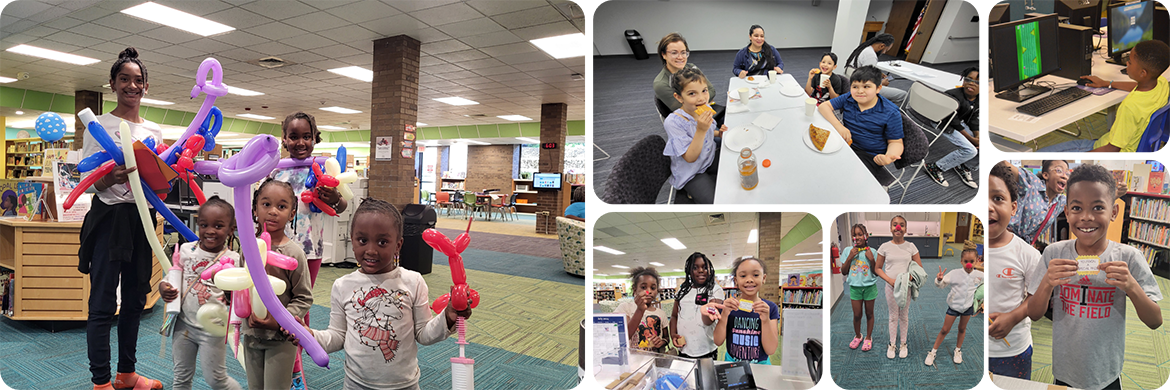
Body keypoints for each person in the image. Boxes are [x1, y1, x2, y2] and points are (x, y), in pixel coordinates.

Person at [287, 198, 469, 389]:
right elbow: (338, 337)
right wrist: (309, 336)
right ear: (352, 241)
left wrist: (448, 317)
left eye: (382, 242)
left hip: (404, 385)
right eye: (363, 240)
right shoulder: (342, 286)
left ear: (398, 245)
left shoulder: (413, 281)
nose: (371, 250)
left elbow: (424, 334)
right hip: (356, 384)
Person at [1027, 163, 1163, 389]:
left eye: (1098, 207)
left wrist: (1131, 286)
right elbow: (1034, 314)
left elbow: (1155, 321)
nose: (1086, 217)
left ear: (1114, 212)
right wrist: (1047, 283)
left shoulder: (1129, 257)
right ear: (1067, 212)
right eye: (1077, 208)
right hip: (1065, 370)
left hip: (1106, 374)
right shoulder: (1054, 253)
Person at [79, 47, 166, 390]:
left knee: (135, 298)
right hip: (108, 219)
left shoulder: (155, 132)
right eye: (124, 79)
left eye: (138, 80)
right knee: (102, 301)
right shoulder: (98, 126)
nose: (132, 85)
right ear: (112, 84)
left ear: (146, 87)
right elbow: (87, 182)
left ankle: (126, 374)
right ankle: (100, 381)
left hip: (141, 218)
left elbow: (158, 178)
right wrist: (111, 177)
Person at [158, 197, 244, 390]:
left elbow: (238, 298)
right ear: (198, 224)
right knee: (180, 378)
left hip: (213, 330)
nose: (210, 231)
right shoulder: (187, 250)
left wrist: (232, 293)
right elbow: (173, 276)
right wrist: (164, 287)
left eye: (219, 226)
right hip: (183, 325)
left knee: (216, 380)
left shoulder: (234, 259)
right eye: (204, 225)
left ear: (231, 230)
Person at [242, 179, 313, 390]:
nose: (273, 211)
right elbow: (240, 287)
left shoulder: (294, 254)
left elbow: (303, 297)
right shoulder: (247, 248)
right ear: (255, 209)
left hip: (281, 338)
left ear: (292, 214)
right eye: (266, 204)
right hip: (251, 334)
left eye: (281, 207)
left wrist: (281, 321)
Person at [1039, 40, 1170, 152]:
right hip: (1132, 147)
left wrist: (1080, 160)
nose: (1126, 64)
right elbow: (1136, 86)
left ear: (1143, 73)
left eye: (1130, 62)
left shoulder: (1130, 107)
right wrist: (1107, 83)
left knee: (1041, 153)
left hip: (1107, 149)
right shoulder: (1161, 83)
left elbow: (1112, 150)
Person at [987, 163, 1042, 379]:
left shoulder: (1027, 254)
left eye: (998, 198)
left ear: (1013, 208)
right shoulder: (971, 251)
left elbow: (1037, 299)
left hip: (1012, 350)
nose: (989, 206)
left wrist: (1013, 317)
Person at [819, 66, 904, 186]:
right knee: (820, 161)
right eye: (855, 87)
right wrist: (839, 126)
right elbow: (823, 107)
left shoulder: (890, 112)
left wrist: (888, 156)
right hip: (847, 144)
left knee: (849, 181)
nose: (859, 91)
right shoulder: (849, 97)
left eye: (866, 86)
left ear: (878, 88)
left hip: (869, 154)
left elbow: (896, 142)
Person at [663, 65, 728, 204]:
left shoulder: (706, 107)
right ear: (679, 97)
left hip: (708, 158)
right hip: (691, 172)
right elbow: (690, 158)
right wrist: (701, 130)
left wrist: (718, 133)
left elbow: (709, 133)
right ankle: (689, 191)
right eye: (692, 93)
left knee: (736, 165)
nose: (701, 98)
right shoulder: (673, 123)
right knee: (715, 202)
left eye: (704, 91)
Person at [874, 215, 923, 359]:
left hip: (905, 287)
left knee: (904, 316)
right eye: (895, 224)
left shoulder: (911, 246)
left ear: (905, 229)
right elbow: (877, 268)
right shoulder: (884, 247)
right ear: (890, 228)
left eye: (901, 225)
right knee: (893, 316)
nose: (898, 227)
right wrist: (889, 280)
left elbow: (919, 268)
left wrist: (910, 277)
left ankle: (903, 344)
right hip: (890, 287)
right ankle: (892, 344)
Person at [714, 257, 780, 363]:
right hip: (732, 364)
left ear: (764, 278)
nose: (749, 280)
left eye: (755, 275)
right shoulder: (728, 306)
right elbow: (718, 341)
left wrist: (765, 320)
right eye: (743, 276)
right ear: (736, 280)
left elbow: (771, 350)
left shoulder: (770, 308)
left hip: (761, 365)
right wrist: (725, 314)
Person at [923, 67, 980, 189]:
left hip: (958, 123)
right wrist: (970, 138)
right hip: (943, 121)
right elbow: (952, 121)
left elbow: (973, 118)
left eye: (977, 82)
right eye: (968, 79)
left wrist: (978, 135)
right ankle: (935, 168)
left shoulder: (979, 99)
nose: (971, 83)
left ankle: (964, 166)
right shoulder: (952, 95)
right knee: (971, 150)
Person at [925, 249, 983, 366]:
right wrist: (939, 280)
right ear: (961, 261)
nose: (969, 264)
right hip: (954, 306)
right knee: (945, 330)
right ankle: (933, 352)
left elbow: (985, 288)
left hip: (968, 307)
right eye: (966, 261)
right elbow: (940, 285)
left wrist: (981, 301)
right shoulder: (954, 273)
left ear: (977, 261)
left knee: (962, 329)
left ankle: (958, 350)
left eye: (972, 261)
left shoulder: (980, 275)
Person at [653, 32, 723, 125]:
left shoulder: (692, 68)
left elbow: (711, 90)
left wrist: (700, 102)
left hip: (704, 111)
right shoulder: (661, 83)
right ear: (664, 55)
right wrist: (705, 102)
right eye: (674, 53)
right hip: (689, 122)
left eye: (683, 52)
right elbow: (684, 110)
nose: (680, 57)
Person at [669, 252, 726, 359]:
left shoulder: (715, 290)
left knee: (706, 376)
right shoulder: (682, 291)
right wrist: (673, 334)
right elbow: (674, 316)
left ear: (710, 270)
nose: (701, 270)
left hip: (706, 349)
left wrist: (707, 312)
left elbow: (710, 321)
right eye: (695, 268)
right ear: (689, 271)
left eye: (704, 267)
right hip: (684, 348)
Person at [616, 267, 670, 353]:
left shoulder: (661, 313)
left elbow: (666, 338)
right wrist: (640, 310)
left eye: (653, 288)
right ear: (635, 289)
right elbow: (623, 337)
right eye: (643, 287)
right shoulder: (625, 308)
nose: (648, 291)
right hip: (634, 361)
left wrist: (662, 342)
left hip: (655, 360)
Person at [843, 33, 906, 105]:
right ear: (882, 46)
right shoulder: (871, 55)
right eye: (885, 50)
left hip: (852, 80)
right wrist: (882, 83)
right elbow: (868, 82)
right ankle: (885, 112)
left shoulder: (864, 48)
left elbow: (864, 69)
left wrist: (878, 73)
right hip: (861, 86)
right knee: (902, 94)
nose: (884, 52)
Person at [842, 224, 877, 352]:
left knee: (869, 313)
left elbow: (876, 272)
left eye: (860, 234)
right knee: (857, 315)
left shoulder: (872, 252)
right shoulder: (847, 251)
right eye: (854, 235)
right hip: (855, 288)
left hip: (869, 287)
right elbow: (844, 271)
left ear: (866, 235)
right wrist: (850, 257)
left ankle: (868, 337)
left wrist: (872, 260)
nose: (857, 237)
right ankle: (858, 336)